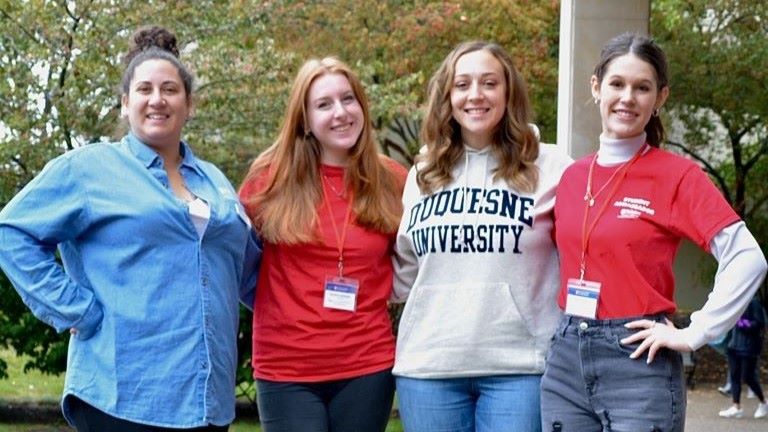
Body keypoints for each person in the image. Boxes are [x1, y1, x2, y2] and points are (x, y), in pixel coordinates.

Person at [0, 26, 261, 431]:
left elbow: (248, 270)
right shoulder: (89, 169)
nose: (157, 99)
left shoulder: (215, 180)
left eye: (170, 90)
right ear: (125, 103)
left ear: (189, 104)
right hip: (124, 394)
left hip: (208, 398)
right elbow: (11, 233)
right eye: (144, 90)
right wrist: (75, 308)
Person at [540, 32, 768, 432]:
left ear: (659, 98)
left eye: (642, 87)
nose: (627, 97)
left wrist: (696, 331)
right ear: (597, 87)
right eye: (617, 84)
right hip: (566, 363)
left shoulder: (677, 176)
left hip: (638, 360)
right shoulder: (573, 176)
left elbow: (748, 258)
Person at [391, 41, 572, 431]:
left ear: (508, 93)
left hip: (520, 367)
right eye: (463, 85)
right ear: (448, 96)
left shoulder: (551, 165)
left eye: (489, 83)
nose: (475, 95)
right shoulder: (424, 171)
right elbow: (404, 269)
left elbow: (587, 248)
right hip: (428, 365)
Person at [238, 57, 407, 432]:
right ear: (305, 120)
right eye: (324, 104)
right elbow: (234, 264)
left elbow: (414, 260)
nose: (340, 113)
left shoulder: (393, 181)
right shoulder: (268, 182)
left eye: (349, 99)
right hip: (286, 369)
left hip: (367, 365)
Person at [719, 297, 768, 418]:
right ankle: (736, 407)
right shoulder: (736, 301)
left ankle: (763, 402)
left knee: (747, 376)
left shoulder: (754, 302)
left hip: (749, 347)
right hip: (733, 345)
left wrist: (741, 323)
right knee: (734, 376)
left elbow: (760, 323)